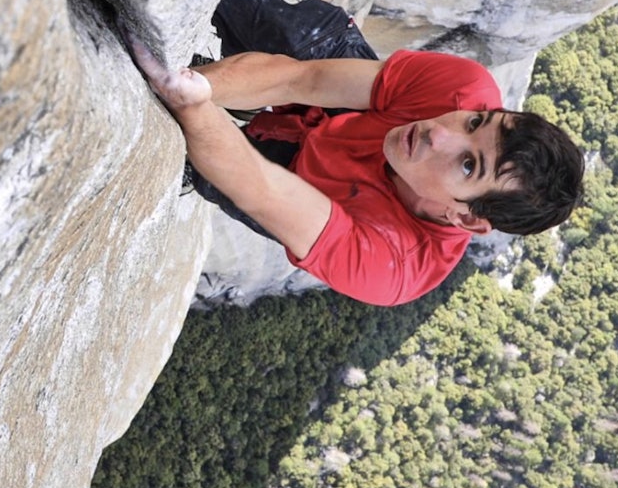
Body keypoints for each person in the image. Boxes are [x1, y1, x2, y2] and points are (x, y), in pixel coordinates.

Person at [129, 39, 584, 306]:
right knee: (277, 16)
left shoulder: (394, 266)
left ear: (466, 218)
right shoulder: (464, 92)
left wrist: (187, 101)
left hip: (301, 186)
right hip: (354, 114)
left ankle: (204, 143)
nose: (438, 134)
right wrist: (201, 82)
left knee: (205, 154)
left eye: (468, 165)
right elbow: (301, 79)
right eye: (475, 123)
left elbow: (262, 188)